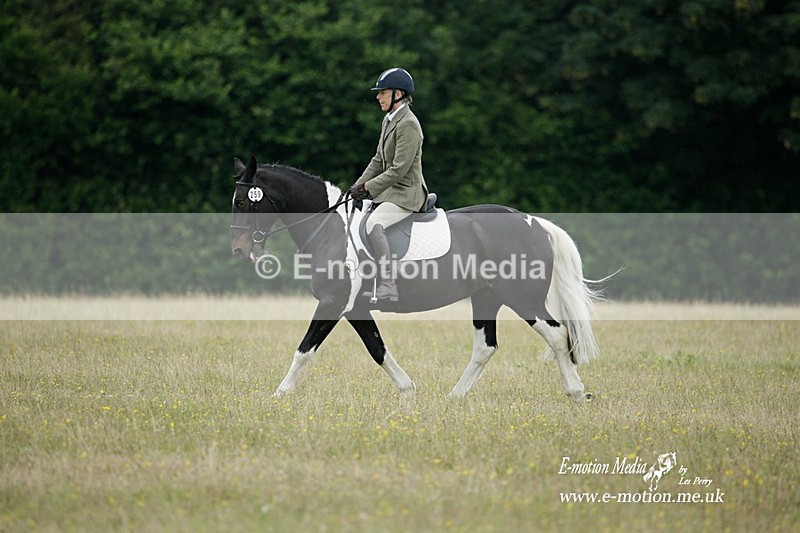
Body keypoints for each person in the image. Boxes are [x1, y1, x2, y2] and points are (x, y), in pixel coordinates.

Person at [349, 67, 429, 303]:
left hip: (408, 194)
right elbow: (377, 160)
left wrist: (368, 188)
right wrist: (356, 186)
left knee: (374, 224)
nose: (378, 97)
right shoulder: (389, 120)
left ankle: (388, 284)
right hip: (391, 192)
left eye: (382, 92)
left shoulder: (409, 124)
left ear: (398, 94)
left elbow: (399, 169)